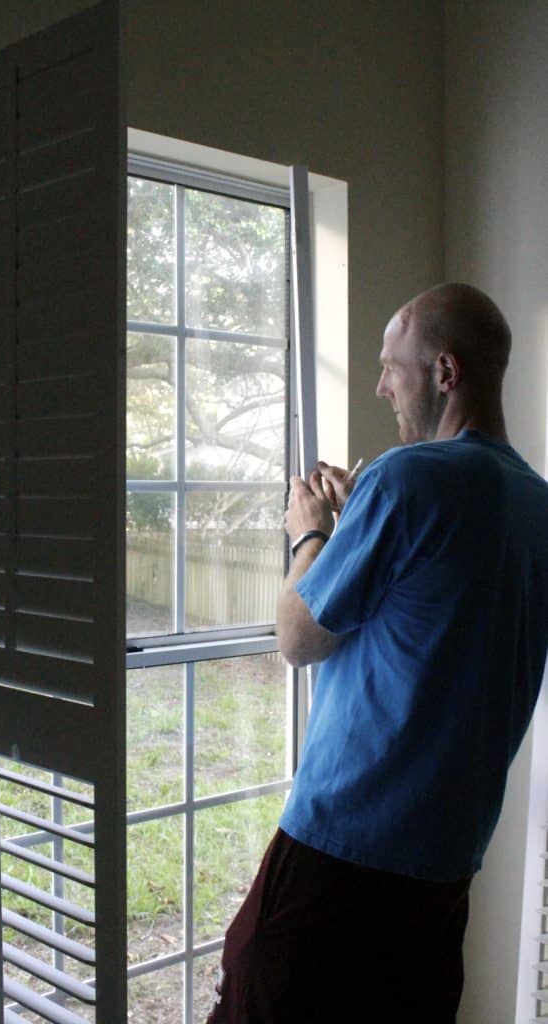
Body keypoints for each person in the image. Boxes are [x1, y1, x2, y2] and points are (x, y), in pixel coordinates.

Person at [206, 282, 548, 1023]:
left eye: (392, 366)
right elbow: (433, 611)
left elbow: (297, 640)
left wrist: (311, 529)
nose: (379, 385)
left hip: (340, 853)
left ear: (444, 373)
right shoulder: (536, 504)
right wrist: (360, 519)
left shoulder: (407, 478)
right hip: (442, 871)